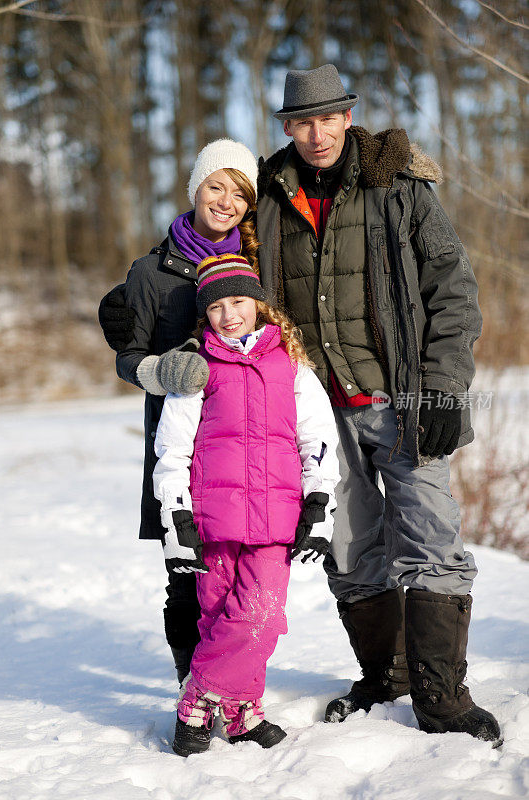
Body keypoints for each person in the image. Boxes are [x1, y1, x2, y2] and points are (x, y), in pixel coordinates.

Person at [99, 65, 501, 745]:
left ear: (347, 117)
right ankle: (385, 677)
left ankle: (442, 698)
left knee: (431, 536)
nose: (316, 134)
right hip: (313, 412)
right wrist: (143, 292)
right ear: (287, 127)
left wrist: (443, 384)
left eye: (328, 119)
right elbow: (209, 239)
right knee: (348, 548)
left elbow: (451, 292)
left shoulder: (397, 190)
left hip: (402, 398)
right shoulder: (269, 196)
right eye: (301, 122)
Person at [152, 253, 340, 756]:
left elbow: (317, 437)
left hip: (277, 516)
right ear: (204, 315)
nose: (229, 315)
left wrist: (320, 500)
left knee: (261, 613)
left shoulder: (291, 366)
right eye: (216, 307)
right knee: (218, 615)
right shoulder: (197, 369)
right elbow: (172, 448)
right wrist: (176, 516)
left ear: (259, 303)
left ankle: (196, 700)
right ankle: (240, 712)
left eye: (238, 301)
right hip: (214, 519)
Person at [99, 139, 260, 686]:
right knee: (186, 569)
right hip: (179, 440)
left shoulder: (256, 263)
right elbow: (129, 357)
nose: (227, 201)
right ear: (196, 188)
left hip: (245, 440)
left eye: (240, 193)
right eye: (218, 186)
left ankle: (235, 681)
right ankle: (195, 684)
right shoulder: (150, 272)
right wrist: (160, 373)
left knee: (242, 568)